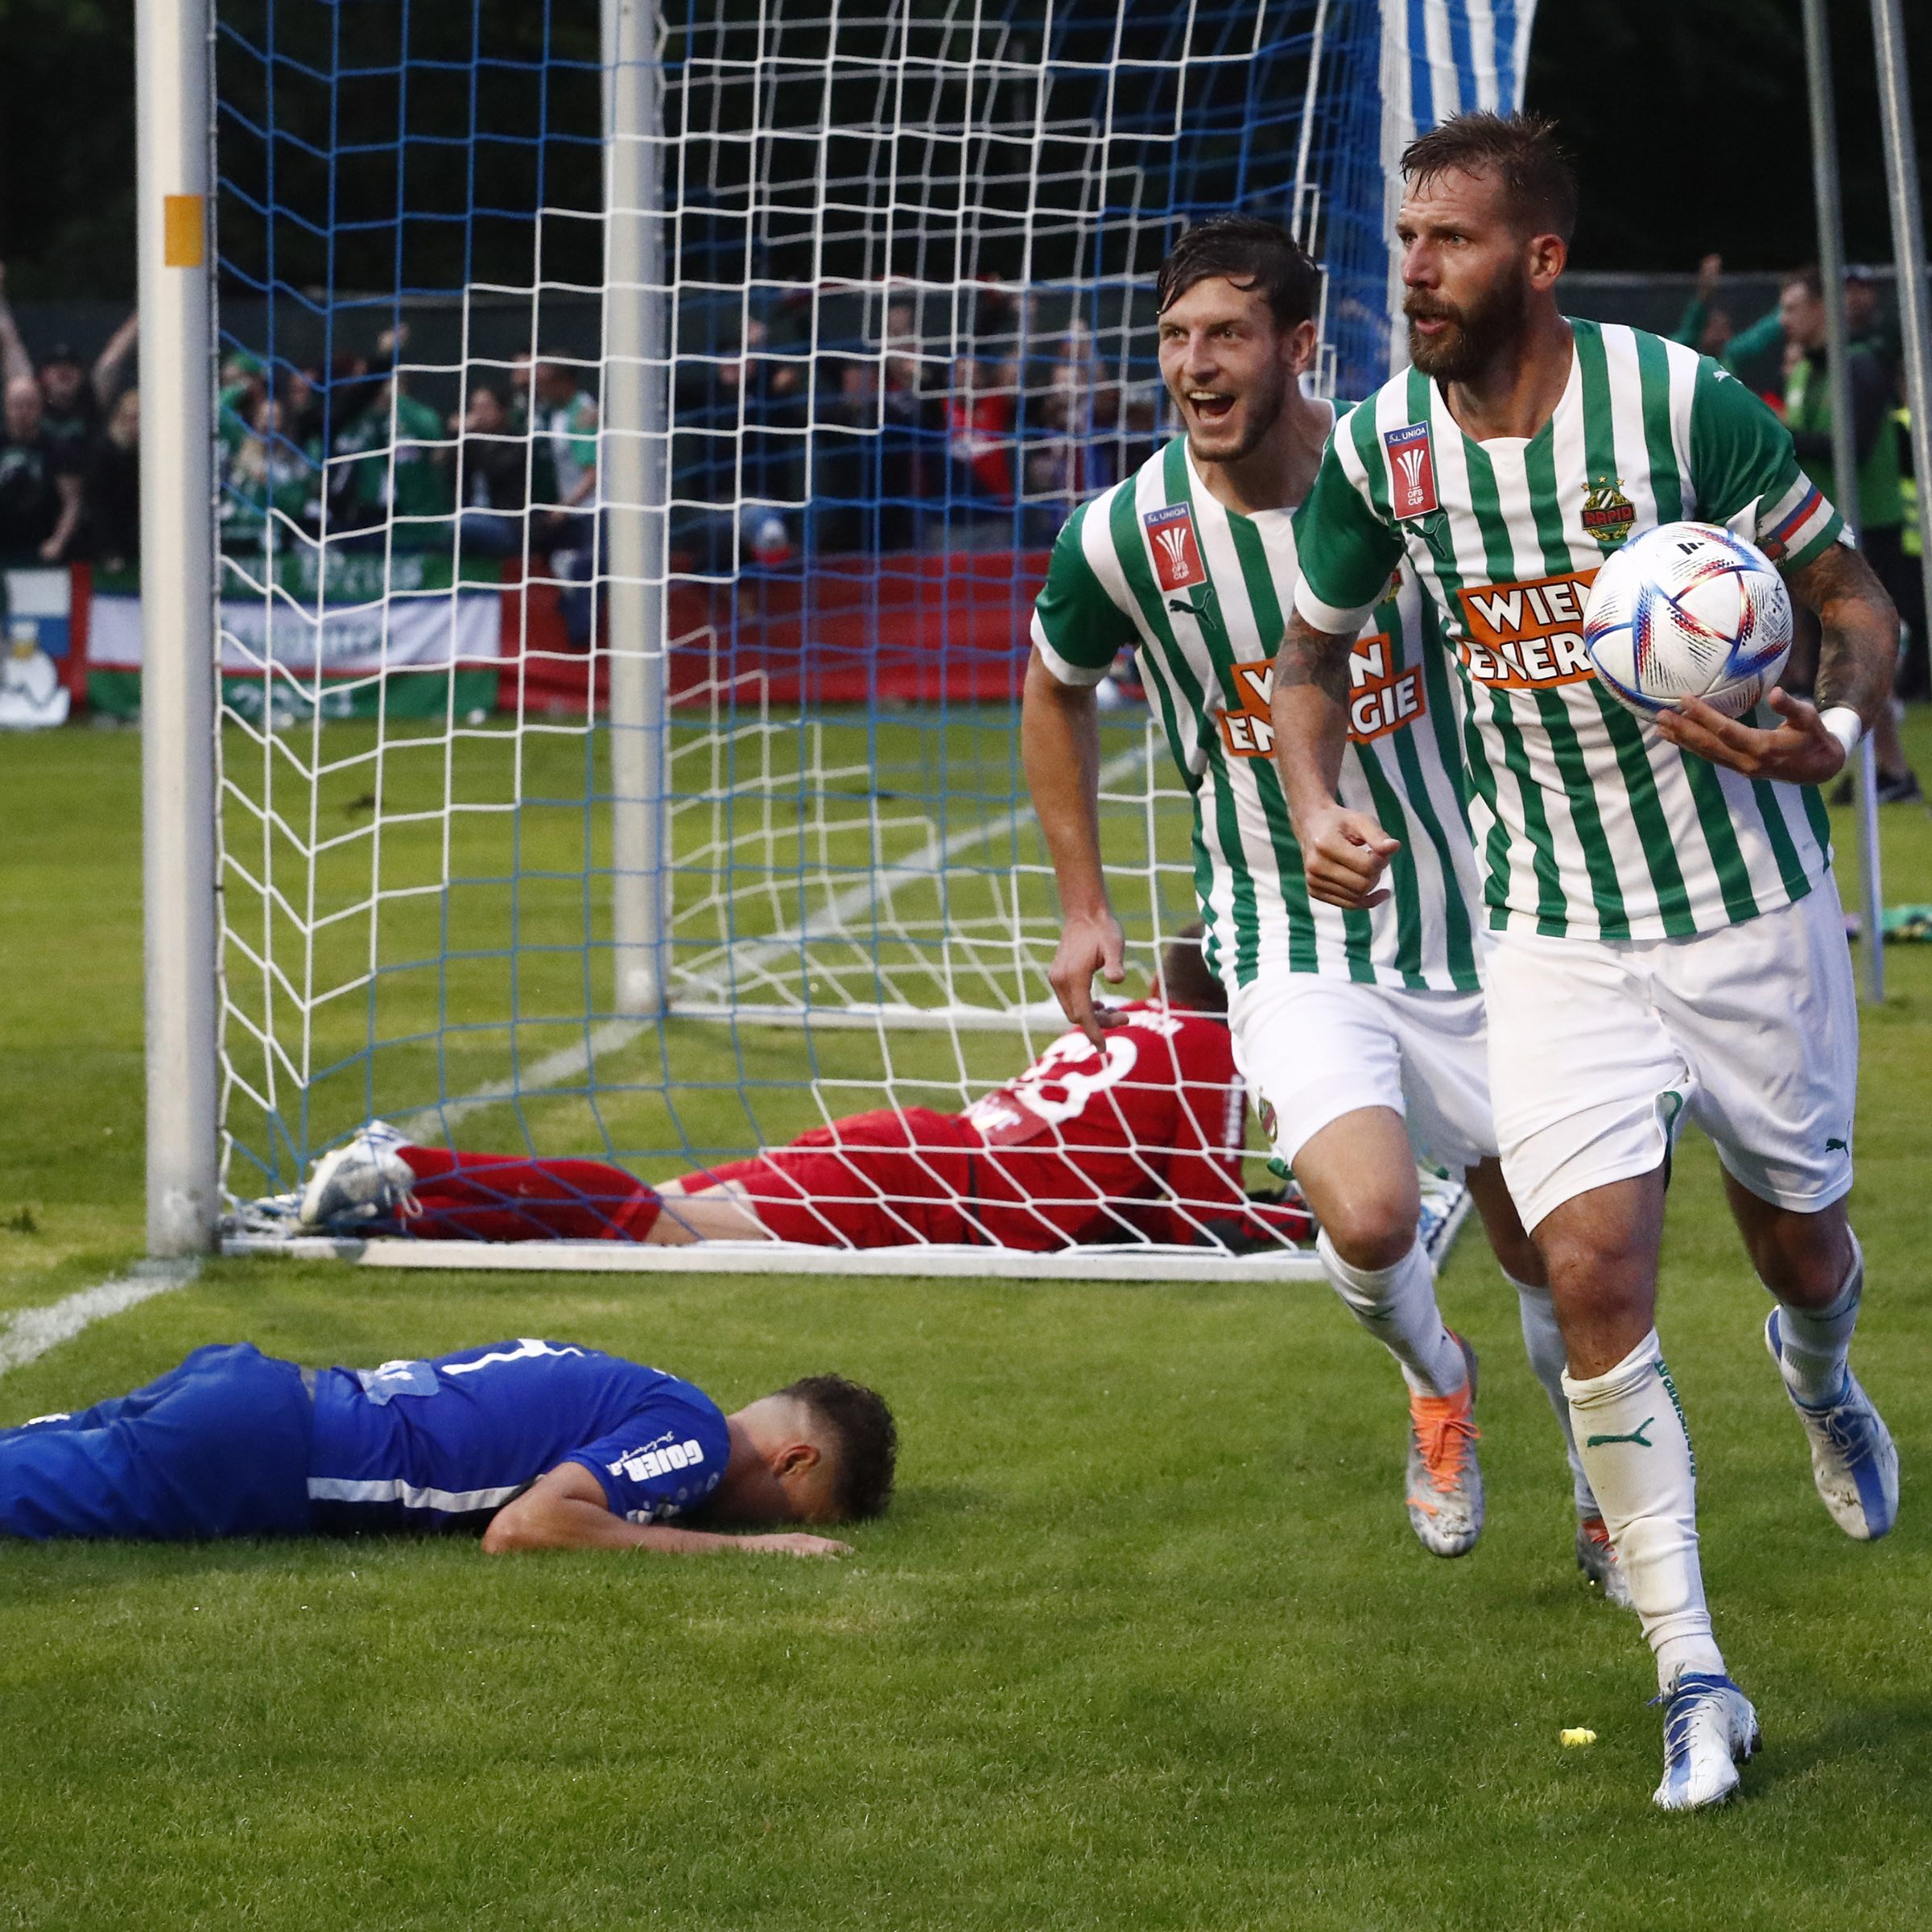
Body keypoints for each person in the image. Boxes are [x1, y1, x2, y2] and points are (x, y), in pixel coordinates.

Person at [1274, 111, 1899, 1811]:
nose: (1415, 269)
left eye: (1452, 241)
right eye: (1406, 239)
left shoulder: (1678, 403)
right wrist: (1317, 792)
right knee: (1600, 1279)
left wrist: (1831, 725)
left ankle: (1825, 1380)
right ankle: (1693, 1672)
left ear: (1538, 260)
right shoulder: (1388, 450)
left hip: (1747, 910)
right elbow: (1308, 658)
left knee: (1796, 1242)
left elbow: (1850, 593)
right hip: (1547, 935)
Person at [1021, 215, 1627, 1601]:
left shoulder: (1400, 480)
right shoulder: (1123, 535)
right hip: (1288, 936)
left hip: (1486, 918)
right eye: (1175, 339)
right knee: (1363, 1221)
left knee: (1558, 1252)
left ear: (1299, 347)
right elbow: (1053, 685)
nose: (1195, 364)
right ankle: (1438, 1378)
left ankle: (1602, 1481)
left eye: (1226, 334)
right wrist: (1083, 905)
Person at [285, 933, 1315, 1257]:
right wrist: (1309, 1223)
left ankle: (412, 1206)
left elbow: (1133, 1199)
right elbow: (1198, 1215)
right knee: (650, 1225)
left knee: (634, 1225)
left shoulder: (1133, 1021)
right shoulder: (1211, 1050)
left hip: (911, 1150)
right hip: (912, 1189)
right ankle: (410, 1164)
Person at [0, 1337, 894, 1558]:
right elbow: (529, 1528)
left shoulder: (645, 1386)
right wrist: (756, 1555)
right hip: (263, 1453)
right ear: (792, 1464)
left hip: (252, 1396)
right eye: (784, 1514)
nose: (749, 1525)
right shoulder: (693, 1437)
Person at [1776, 266, 1922, 801]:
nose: (1784, 319)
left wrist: (1773, 437)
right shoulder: (1803, 370)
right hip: (1819, 527)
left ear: (1821, 308)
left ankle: (1891, 769)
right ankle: (1876, 770)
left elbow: (1850, 446)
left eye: (1793, 307)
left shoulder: (1855, 367)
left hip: (1867, 524)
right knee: (1826, 656)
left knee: (1860, 648)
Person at [0, 374, 80, 564]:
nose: (23, 411)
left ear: (40, 406)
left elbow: (72, 501)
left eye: (29, 404)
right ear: (6, 406)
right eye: (17, 404)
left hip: (42, 548)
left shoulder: (58, 448)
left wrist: (58, 542)